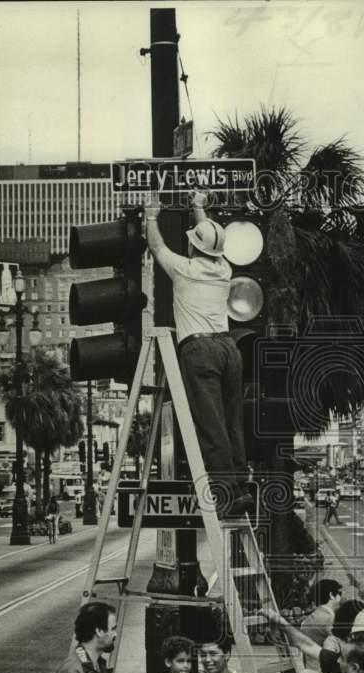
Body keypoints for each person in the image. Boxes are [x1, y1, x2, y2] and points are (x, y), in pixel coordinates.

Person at [145, 191, 253, 519]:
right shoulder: (224, 269)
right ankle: (241, 486)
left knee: (211, 425)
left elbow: (157, 246)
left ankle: (226, 495)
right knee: (232, 422)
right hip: (229, 349)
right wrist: (199, 207)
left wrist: (151, 216)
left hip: (200, 349)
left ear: (194, 246)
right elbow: (208, 239)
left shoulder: (183, 268)